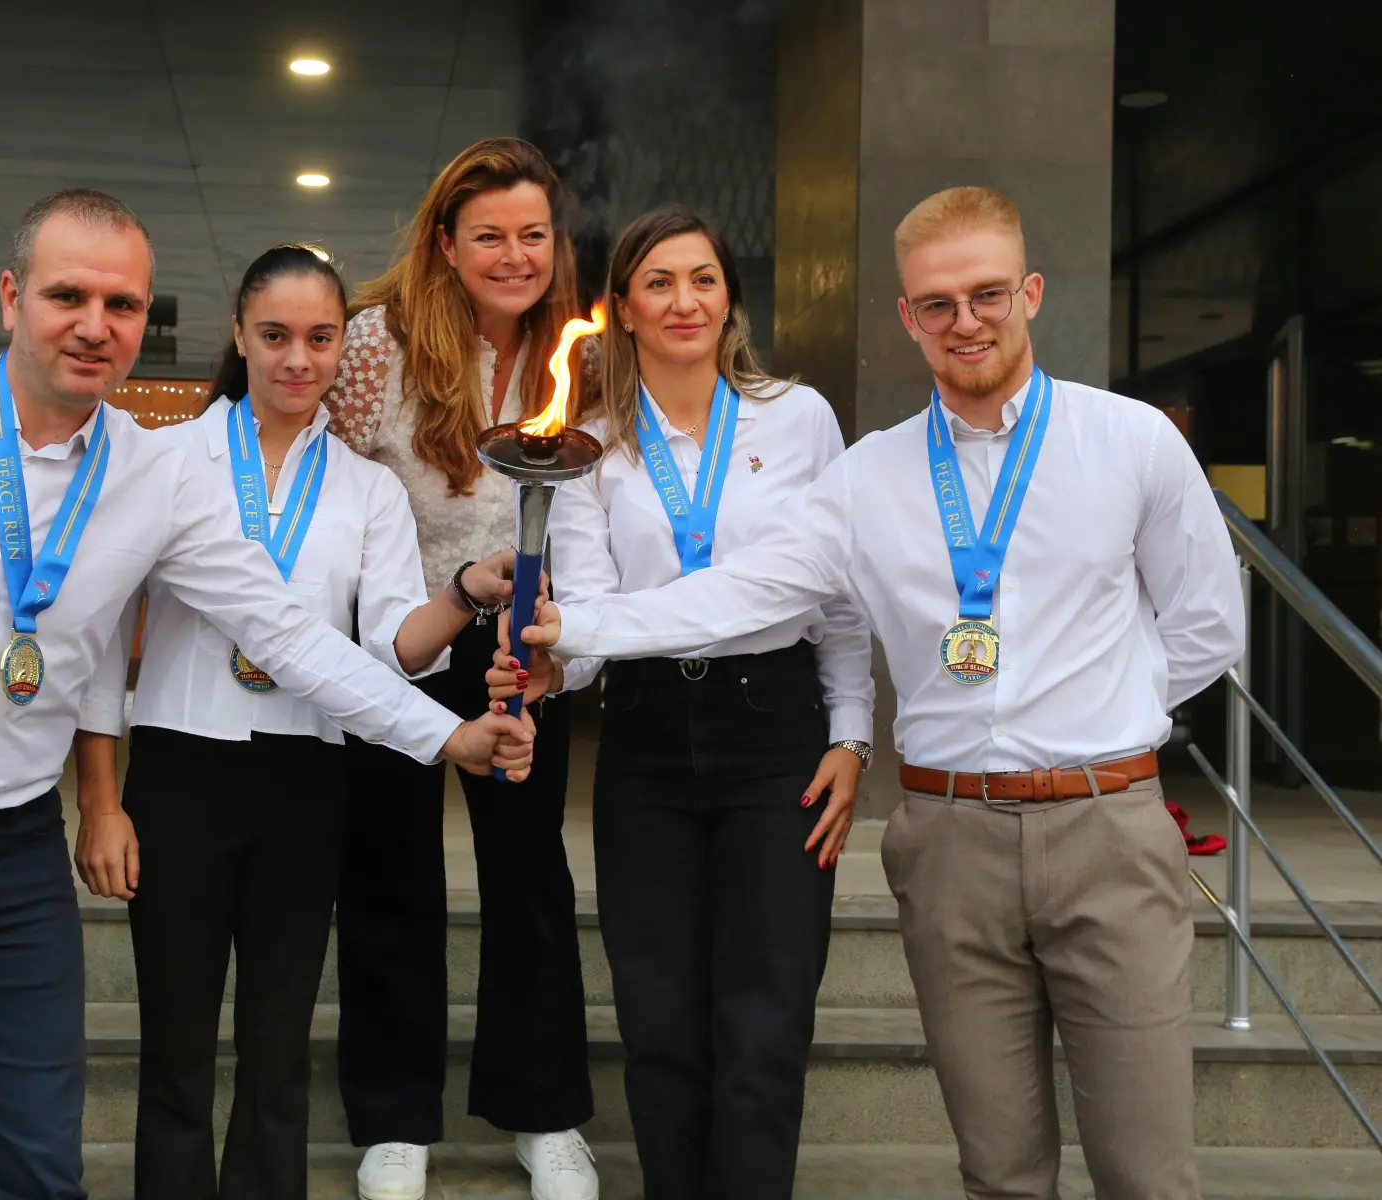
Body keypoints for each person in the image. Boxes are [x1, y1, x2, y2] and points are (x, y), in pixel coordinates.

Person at [0, 189, 532, 1200]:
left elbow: (289, 635)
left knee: (40, 1163)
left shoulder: (154, 476)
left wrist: (447, 738)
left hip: (7, 855)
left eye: (122, 305)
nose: (95, 325)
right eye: (67, 296)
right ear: (11, 296)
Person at [513, 187, 1244, 1200]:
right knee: (999, 1172)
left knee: (1147, 1174)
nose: (965, 321)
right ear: (907, 316)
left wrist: (1100, 719)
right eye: (937, 303)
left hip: (1104, 828)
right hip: (948, 838)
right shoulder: (871, 475)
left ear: (1032, 292)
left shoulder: (1133, 441)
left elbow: (1207, 623)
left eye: (988, 294)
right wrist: (576, 632)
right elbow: (752, 589)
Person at [70, 245, 535, 1200]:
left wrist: (462, 591)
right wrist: (102, 803)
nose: (298, 359)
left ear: (341, 349)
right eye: (275, 335)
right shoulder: (163, 462)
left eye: (321, 338)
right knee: (176, 1046)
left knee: (278, 1047)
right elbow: (101, 643)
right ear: (239, 336)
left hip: (309, 780)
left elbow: (393, 649)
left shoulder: (368, 488)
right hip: (181, 770)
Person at [486, 205, 873, 1198]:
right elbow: (591, 617)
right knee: (658, 1022)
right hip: (648, 739)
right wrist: (549, 664)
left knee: (766, 1019)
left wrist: (852, 733)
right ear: (622, 307)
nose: (684, 301)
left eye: (703, 278)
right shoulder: (589, 445)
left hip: (775, 731)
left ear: (730, 296)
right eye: (658, 282)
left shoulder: (799, 418)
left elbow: (838, 594)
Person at [322, 136, 598, 1200]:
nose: (514, 255)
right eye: (489, 235)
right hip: (402, 630)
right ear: (445, 242)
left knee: (528, 871)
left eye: (533, 234)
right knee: (390, 869)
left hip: (521, 641)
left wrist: (553, 641)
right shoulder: (374, 343)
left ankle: (543, 1112)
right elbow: (329, 487)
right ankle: (395, 1119)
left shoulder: (581, 350)